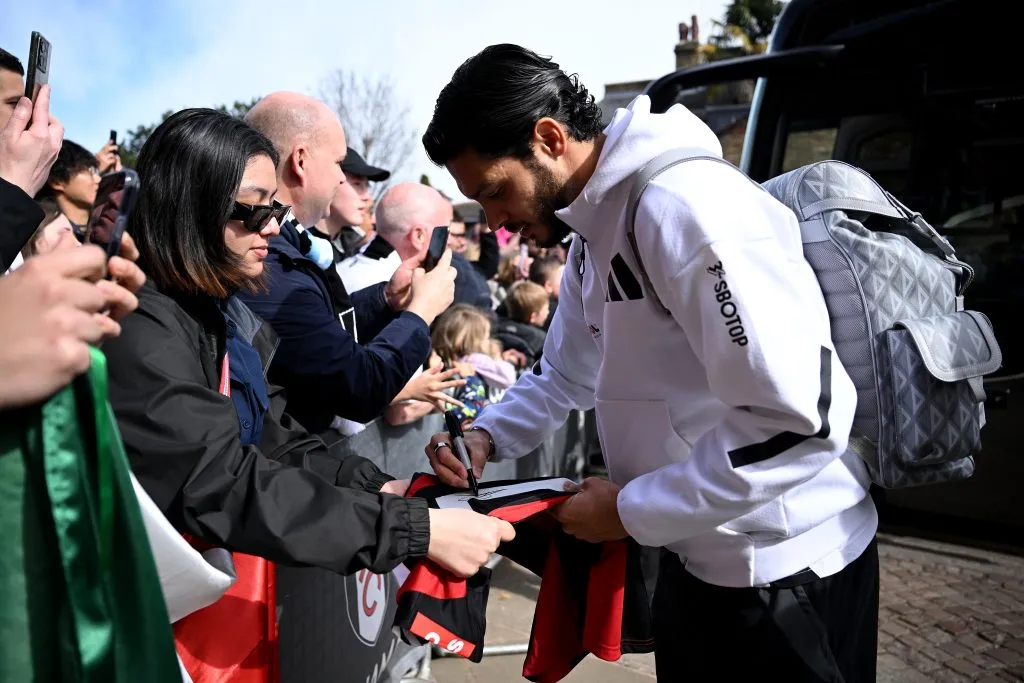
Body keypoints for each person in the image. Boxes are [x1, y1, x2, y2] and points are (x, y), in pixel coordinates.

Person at [423, 44, 878, 682]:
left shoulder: (684, 207)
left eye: (496, 192)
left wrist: (629, 510)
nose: (495, 223)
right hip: (698, 561)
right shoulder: (591, 230)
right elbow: (563, 375)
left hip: (787, 569)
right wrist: (486, 435)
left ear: (550, 139)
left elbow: (802, 419)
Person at [101, 108, 514, 582]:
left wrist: (385, 488)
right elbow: (223, 483)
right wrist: (414, 530)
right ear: (194, 206)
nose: (274, 227)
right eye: (257, 209)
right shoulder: (135, 323)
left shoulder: (219, 312)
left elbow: (273, 442)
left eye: (276, 209)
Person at [238, 92, 456, 434]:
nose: (342, 178)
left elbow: (320, 329)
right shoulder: (267, 259)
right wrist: (419, 313)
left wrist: (386, 299)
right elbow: (359, 386)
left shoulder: (289, 246)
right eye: (339, 163)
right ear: (300, 160)